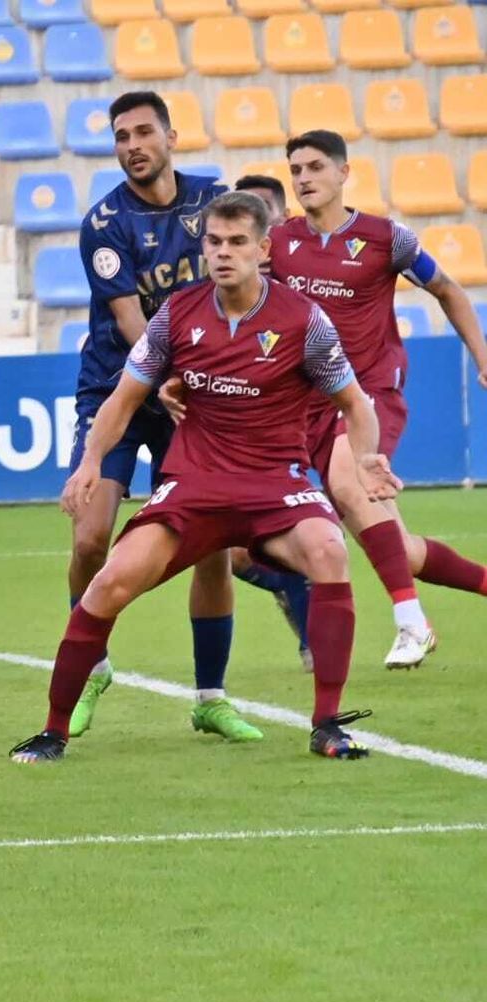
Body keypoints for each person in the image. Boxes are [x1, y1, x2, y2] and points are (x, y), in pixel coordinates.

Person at [12, 192, 401, 766]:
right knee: (110, 582)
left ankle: (326, 725)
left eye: (238, 242)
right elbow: (122, 399)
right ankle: (51, 732)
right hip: (195, 485)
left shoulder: (304, 321)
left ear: (263, 249)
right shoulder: (176, 314)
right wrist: (90, 462)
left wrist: (367, 457)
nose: (224, 253)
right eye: (214, 242)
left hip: (276, 484)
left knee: (329, 550)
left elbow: (354, 401)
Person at [71, 90, 264, 743]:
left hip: (197, 390)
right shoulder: (104, 223)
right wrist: (172, 373)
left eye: (143, 132)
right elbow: (131, 322)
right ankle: (89, 666)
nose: (132, 145)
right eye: (121, 135)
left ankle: (210, 695)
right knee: (90, 537)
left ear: (171, 136)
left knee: (208, 543)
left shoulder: (215, 202)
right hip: (118, 386)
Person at [271, 130, 487, 668]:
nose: (304, 179)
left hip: (370, 392)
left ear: (344, 173)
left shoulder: (387, 238)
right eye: (295, 170)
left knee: (348, 481)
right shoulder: (278, 243)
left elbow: (448, 291)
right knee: (399, 547)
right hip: (310, 409)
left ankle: (412, 623)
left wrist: (483, 356)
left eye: (316, 167)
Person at [228, 173, 313, 670]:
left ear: (277, 225)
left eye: (260, 212)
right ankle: (290, 589)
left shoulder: (299, 289)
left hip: (297, 432)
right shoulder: (225, 290)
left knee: (302, 539)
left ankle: (316, 651)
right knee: (238, 558)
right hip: (239, 436)